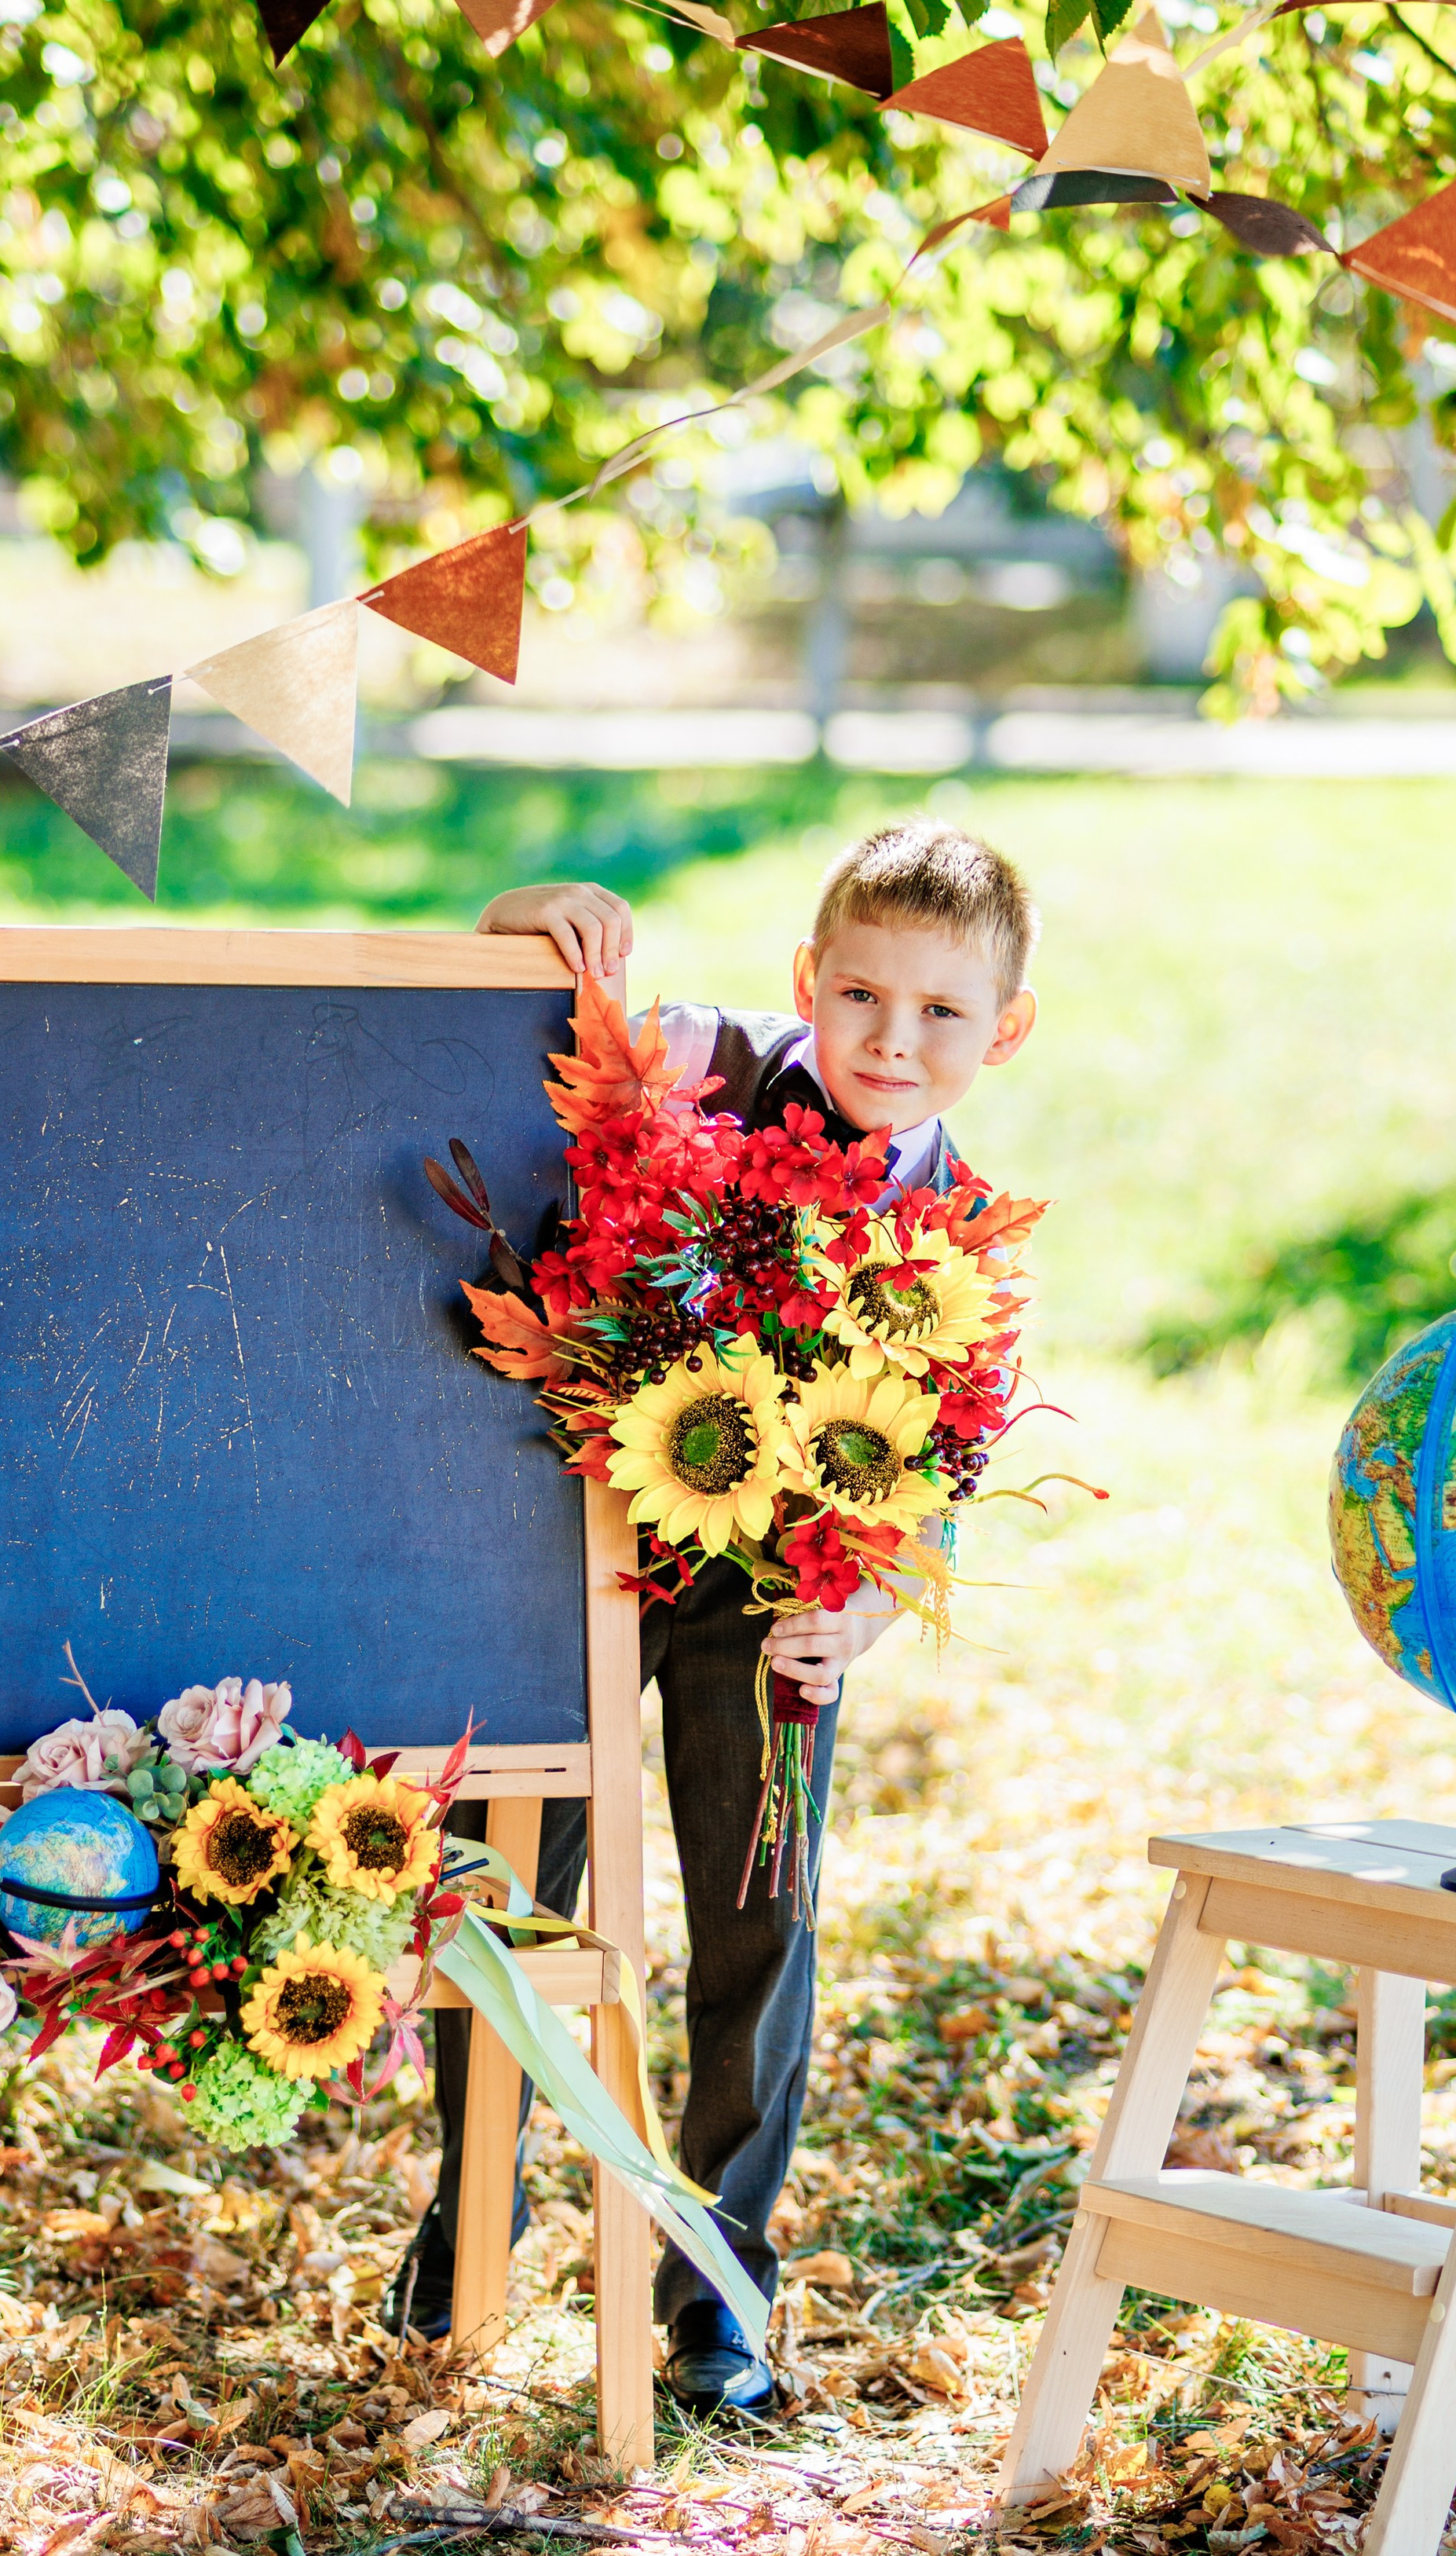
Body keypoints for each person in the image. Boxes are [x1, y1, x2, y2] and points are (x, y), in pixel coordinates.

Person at [386, 818, 1041, 2414]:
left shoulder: (962, 1231)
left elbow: (942, 1461)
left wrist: (867, 1611)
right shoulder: (703, 1064)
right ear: (806, 979)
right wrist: (534, 905)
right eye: (861, 993)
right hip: (580, 1552)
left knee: (759, 1925)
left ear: (1006, 1031)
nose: (892, 1038)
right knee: (505, 1887)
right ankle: (473, 2213)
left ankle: (718, 2282)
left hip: (778, 1608)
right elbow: (515, 1003)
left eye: (941, 1011)